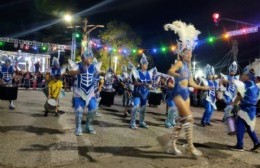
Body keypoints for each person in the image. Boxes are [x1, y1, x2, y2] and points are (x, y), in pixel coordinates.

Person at [166, 48, 210, 156]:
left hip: (186, 94)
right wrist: (176, 75)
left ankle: (171, 144)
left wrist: (202, 87)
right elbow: (170, 71)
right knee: (189, 118)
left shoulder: (188, 67)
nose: (189, 55)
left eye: (190, 54)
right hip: (178, 93)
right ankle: (190, 146)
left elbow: (191, 82)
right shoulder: (179, 63)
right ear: (182, 55)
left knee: (181, 121)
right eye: (187, 54)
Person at [68, 46, 99, 135]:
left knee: (93, 109)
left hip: (90, 93)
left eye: (91, 58)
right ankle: (78, 128)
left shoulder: (94, 67)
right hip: (79, 92)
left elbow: (99, 74)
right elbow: (70, 73)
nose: (90, 59)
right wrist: (78, 71)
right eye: (89, 57)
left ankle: (88, 126)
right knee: (79, 111)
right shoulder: (78, 65)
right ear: (84, 58)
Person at [231, 67, 260, 151]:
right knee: (249, 126)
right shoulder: (256, 87)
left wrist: (233, 103)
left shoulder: (245, 85)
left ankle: (240, 145)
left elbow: (239, 96)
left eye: (243, 74)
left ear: (247, 76)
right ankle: (256, 142)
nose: (242, 76)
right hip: (252, 109)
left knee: (239, 124)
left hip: (244, 109)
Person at [130, 54, 152, 129]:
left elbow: (150, 82)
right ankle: (132, 122)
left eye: (147, 64)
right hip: (137, 92)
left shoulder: (148, 73)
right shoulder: (136, 72)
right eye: (146, 64)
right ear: (142, 64)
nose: (147, 65)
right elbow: (135, 83)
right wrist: (143, 84)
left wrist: (150, 85)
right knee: (135, 107)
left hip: (145, 94)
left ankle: (141, 121)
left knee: (143, 108)